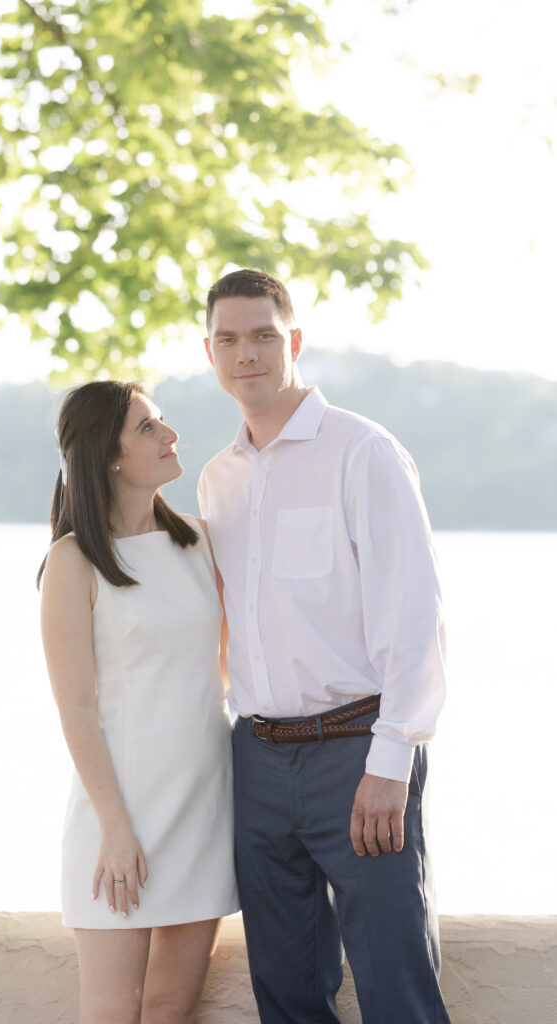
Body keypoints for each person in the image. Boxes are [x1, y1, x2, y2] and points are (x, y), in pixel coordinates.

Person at [197, 269, 450, 1024]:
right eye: (228, 340)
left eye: (263, 336)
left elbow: (414, 614)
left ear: (294, 341)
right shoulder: (217, 480)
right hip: (258, 761)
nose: (247, 354)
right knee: (286, 991)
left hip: (356, 752)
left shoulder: (361, 452)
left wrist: (390, 761)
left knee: (395, 985)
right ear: (209, 353)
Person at [38, 380, 238, 1024]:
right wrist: (116, 830)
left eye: (163, 420)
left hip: (204, 804)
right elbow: (75, 709)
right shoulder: (73, 562)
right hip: (117, 816)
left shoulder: (203, 543)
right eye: (148, 427)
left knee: (170, 1006)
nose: (170, 434)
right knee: (110, 1011)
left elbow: (232, 671)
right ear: (109, 456)